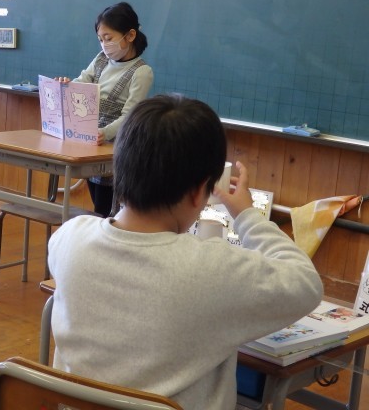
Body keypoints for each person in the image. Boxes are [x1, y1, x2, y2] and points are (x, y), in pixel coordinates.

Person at [47, 94, 323, 410]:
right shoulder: (212, 269)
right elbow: (306, 282)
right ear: (198, 191)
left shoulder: (69, 238)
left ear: (119, 168)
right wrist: (248, 215)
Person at [56, 2, 153, 217]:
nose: (104, 45)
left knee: (108, 208)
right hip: (93, 145)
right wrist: (66, 85)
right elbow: (82, 83)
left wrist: (104, 132)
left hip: (116, 148)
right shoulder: (101, 59)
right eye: (101, 39)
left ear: (130, 35)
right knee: (97, 202)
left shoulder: (141, 72)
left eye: (108, 38)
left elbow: (130, 115)